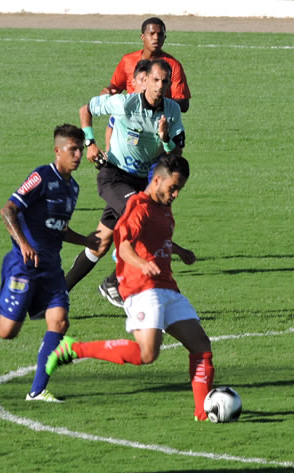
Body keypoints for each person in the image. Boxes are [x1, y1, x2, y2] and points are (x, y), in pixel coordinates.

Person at [46, 154, 213, 421]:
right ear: (157, 180)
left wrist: (180, 251)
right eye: (173, 187)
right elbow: (124, 246)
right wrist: (142, 264)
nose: (176, 194)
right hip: (142, 287)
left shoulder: (163, 208)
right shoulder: (138, 206)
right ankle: (73, 349)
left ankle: (202, 413)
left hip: (167, 286)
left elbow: (160, 239)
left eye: (180, 189)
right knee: (147, 354)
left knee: (201, 346)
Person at [0, 124, 100, 402]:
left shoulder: (73, 188)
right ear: (57, 150)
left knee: (59, 322)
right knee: (6, 331)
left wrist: (85, 241)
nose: (77, 155)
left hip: (51, 267)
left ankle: (37, 391)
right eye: (72, 149)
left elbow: (58, 228)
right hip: (23, 265)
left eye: (80, 149)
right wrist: (24, 244)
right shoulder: (41, 176)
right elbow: (9, 210)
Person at [65, 59, 185, 308]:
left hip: (139, 182)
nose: (159, 86)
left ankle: (57, 293)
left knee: (101, 242)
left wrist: (165, 140)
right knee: (143, 218)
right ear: (146, 81)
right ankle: (116, 284)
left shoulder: (172, 111)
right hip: (114, 176)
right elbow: (85, 110)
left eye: (164, 82)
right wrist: (90, 143)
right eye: (155, 80)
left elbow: (177, 154)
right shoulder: (125, 103)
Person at [104, 17, 191, 114]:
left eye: (160, 34)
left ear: (164, 38)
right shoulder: (127, 61)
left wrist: (156, 103)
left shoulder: (173, 65)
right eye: (152, 33)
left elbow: (183, 104)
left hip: (158, 121)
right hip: (130, 120)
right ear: (143, 37)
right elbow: (114, 88)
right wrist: (107, 93)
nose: (156, 38)